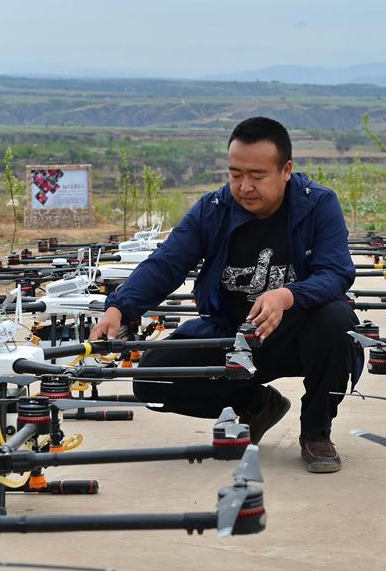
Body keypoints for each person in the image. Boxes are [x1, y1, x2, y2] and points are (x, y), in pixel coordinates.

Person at [89, 116, 358, 473]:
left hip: (296, 334)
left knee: (339, 323)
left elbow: (336, 273)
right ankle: (257, 403)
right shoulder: (212, 210)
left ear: (286, 170)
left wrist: (287, 296)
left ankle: (316, 432)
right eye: (235, 174)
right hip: (230, 333)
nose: (244, 186)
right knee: (152, 378)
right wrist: (119, 309)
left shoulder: (318, 205)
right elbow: (166, 263)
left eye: (257, 176)